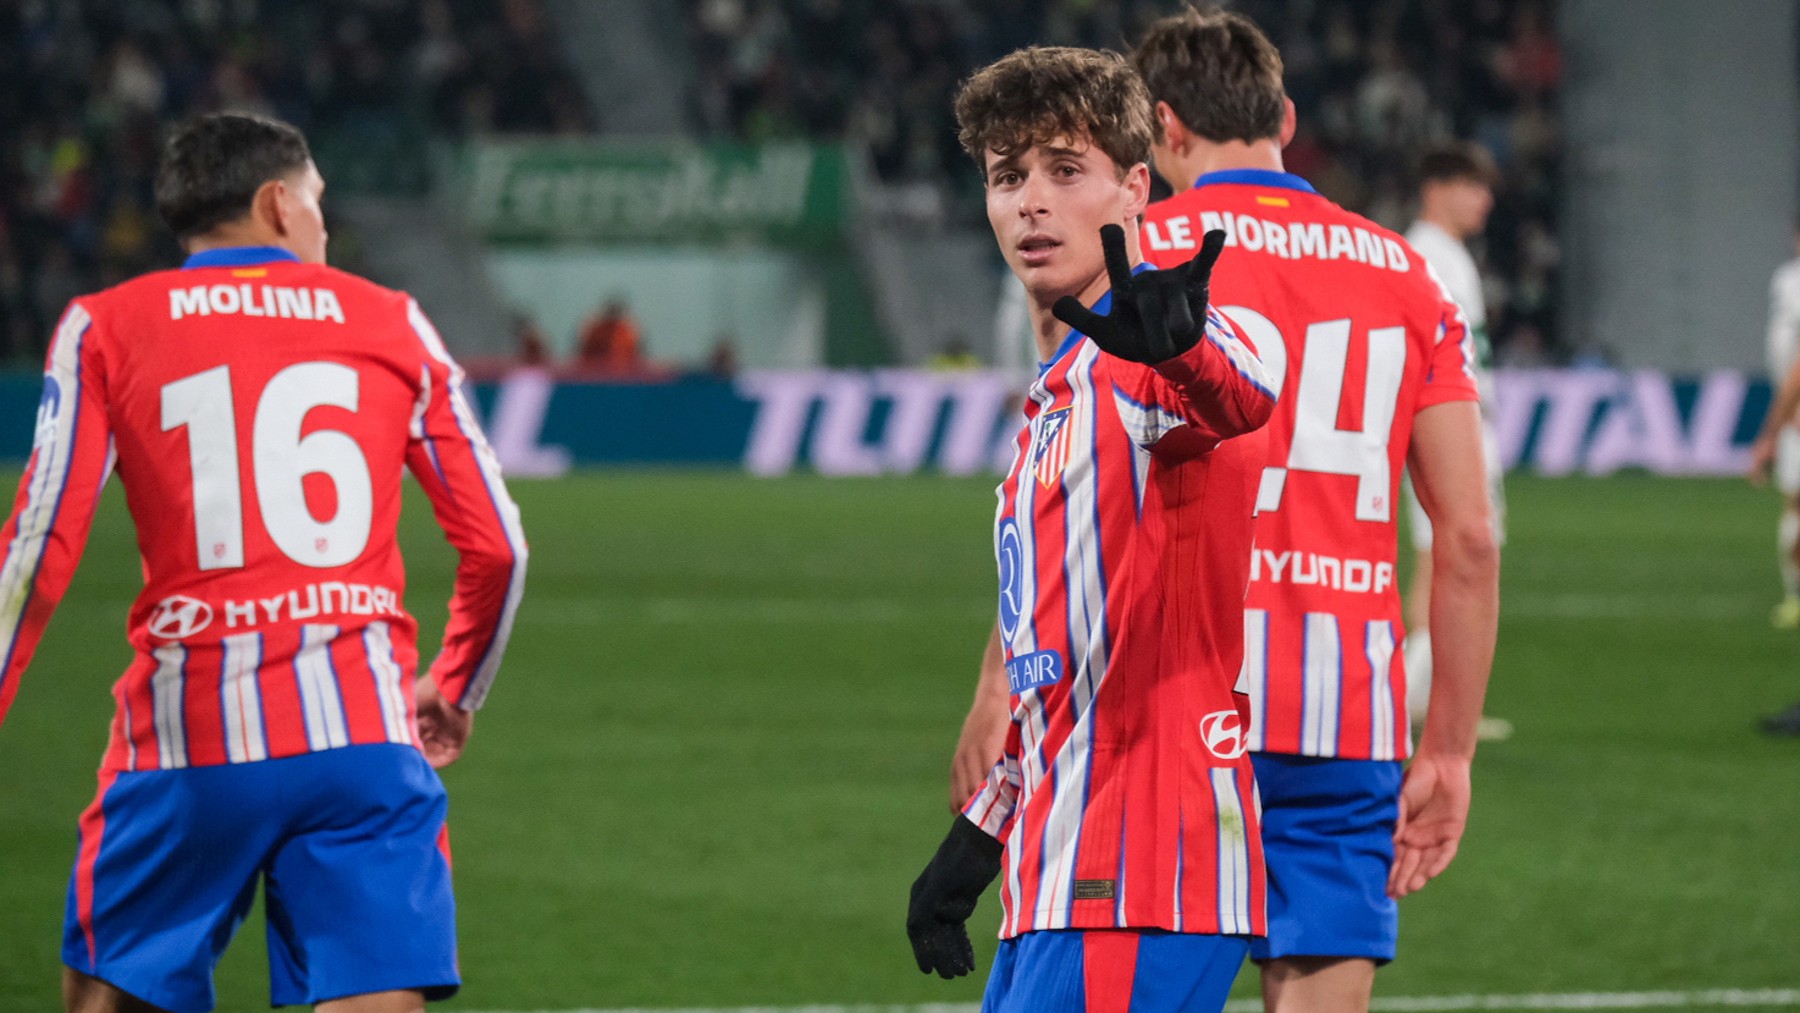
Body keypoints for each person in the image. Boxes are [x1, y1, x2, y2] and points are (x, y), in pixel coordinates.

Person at [0, 112, 528, 1013]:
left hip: (187, 744)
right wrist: (459, 680)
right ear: (278, 204)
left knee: (106, 996)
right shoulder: (393, 322)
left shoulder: (104, 326)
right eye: (318, 201)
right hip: (364, 740)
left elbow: (41, 547)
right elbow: (499, 545)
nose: (323, 224)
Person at [1131, 10, 1498, 1011]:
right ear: (1285, 117)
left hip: (1173, 691)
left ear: (1163, 126)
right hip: (1344, 707)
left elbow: (1066, 501)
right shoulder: (1404, 271)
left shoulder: (1138, 253)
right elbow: (1469, 534)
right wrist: (1452, 749)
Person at [911, 46, 1277, 1012]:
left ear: (1135, 188)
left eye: (1064, 171)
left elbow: (1245, 397)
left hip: (1141, 866)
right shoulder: (1051, 402)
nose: (1031, 201)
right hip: (1058, 868)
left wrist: (1185, 344)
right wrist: (980, 836)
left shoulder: (1150, 359)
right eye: (1007, 176)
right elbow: (1064, 669)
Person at [1400, 142, 1512, 741]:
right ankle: (1416, 700)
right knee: (1447, 555)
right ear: (1436, 188)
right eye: (1473, 185)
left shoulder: (1449, 255)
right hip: (1445, 428)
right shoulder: (1425, 255)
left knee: (1444, 556)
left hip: (1465, 424)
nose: (1485, 199)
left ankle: (1429, 698)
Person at [1749, 222, 1800, 632]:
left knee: (1795, 505)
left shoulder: (1790, 282)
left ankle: (1795, 595)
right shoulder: (1787, 279)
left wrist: (1769, 434)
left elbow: (1796, 372)